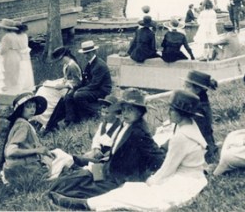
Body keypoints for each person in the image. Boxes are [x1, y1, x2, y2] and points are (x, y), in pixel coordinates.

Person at [78, 90, 209, 211]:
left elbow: (168, 168)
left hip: (183, 181)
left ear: (182, 113)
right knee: (129, 190)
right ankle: (87, 202)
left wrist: (151, 181)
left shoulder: (180, 137)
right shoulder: (191, 126)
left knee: (133, 195)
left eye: (172, 110)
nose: (168, 112)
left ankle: (86, 204)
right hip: (195, 178)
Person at [48, 88, 164, 203]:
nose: (125, 113)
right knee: (75, 178)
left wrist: (154, 176)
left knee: (84, 191)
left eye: (130, 110)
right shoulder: (125, 124)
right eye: (123, 109)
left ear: (140, 112)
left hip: (121, 178)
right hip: (108, 169)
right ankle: (56, 190)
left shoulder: (141, 132)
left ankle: (66, 199)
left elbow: (157, 156)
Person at [0, 92, 56, 186]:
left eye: (34, 106)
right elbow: (10, 151)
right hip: (23, 170)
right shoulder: (23, 125)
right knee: (63, 159)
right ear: (21, 109)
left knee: (55, 154)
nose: (32, 110)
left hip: (15, 169)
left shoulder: (20, 122)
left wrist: (41, 150)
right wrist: (37, 150)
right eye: (28, 107)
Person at [183, 70, 219, 161]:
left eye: (187, 86)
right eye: (184, 86)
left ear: (198, 90)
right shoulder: (200, 103)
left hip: (203, 148)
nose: (184, 89)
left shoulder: (198, 109)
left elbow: (202, 133)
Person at [0, 19, 33, 94]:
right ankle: (17, 86)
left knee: (7, 70)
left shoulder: (6, 37)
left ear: (5, 28)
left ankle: (8, 87)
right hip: (19, 55)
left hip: (9, 55)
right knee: (17, 71)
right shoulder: (20, 35)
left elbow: (3, 49)